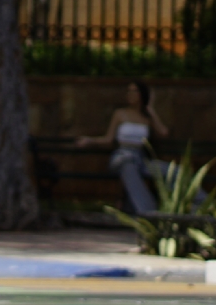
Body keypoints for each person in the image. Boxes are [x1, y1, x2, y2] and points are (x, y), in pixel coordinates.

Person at [75, 80, 196, 215]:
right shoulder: (120, 114)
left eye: (134, 91)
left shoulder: (147, 117)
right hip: (123, 156)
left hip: (140, 159)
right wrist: (89, 141)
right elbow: (108, 139)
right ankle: (149, 213)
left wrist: (151, 110)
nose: (130, 94)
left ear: (142, 94)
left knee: (176, 171)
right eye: (129, 91)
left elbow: (163, 133)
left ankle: (200, 206)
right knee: (129, 167)